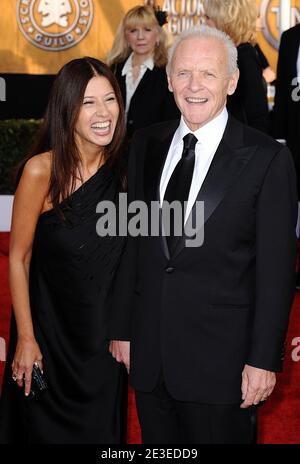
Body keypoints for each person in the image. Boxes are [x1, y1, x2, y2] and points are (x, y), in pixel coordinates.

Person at [109, 25, 297, 444]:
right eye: (184, 73)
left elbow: (276, 273)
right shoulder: (145, 144)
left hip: (224, 366)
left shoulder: (268, 158)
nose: (194, 86)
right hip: (151, 357)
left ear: (231, 82)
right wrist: (122, 327)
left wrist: (263, 360)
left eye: (208, 74)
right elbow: (135, 245)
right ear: (170, 78)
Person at [0, 57, 127, 444]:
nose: (103, 113)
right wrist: (26, 338)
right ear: (67, 109)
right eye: (89, 103)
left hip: (104, 345)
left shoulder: (126, 172)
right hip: (48, 339)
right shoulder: (41, 171)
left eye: (110, 99)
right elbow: (18, 259)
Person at [107, 5, 179, 139]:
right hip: (114, 151)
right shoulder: (113, 70)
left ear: (158, 34)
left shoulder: (168, 72)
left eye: (147, 30)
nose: (140, 37)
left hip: (152, 151)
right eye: (133, 30)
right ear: (126, 36)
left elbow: (172, 121)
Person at [203, 0, 271, 134]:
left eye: (208, 17)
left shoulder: (244, 56)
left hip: (241, 146)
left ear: (224, 20)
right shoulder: (228, 53)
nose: (204, 23)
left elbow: (256, 113)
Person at [272, 24, 300, 289]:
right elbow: (282, 91)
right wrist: (279, 138)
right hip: (294, 139)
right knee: (290, 210)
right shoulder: (291, 38)